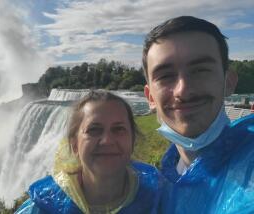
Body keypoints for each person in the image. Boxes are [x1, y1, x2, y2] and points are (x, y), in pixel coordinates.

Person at [142, 16, 254, 213]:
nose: (183, 91)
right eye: (166, 76)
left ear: (228, 82)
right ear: (150, 97)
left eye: (201, 70)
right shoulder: (162, 184)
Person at [16, 90, 161, 213]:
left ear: (133, 140)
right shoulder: (43, 207)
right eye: (94, 130)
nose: (107, 140)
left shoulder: (161, 199)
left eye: (118, 129)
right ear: (74, 145)